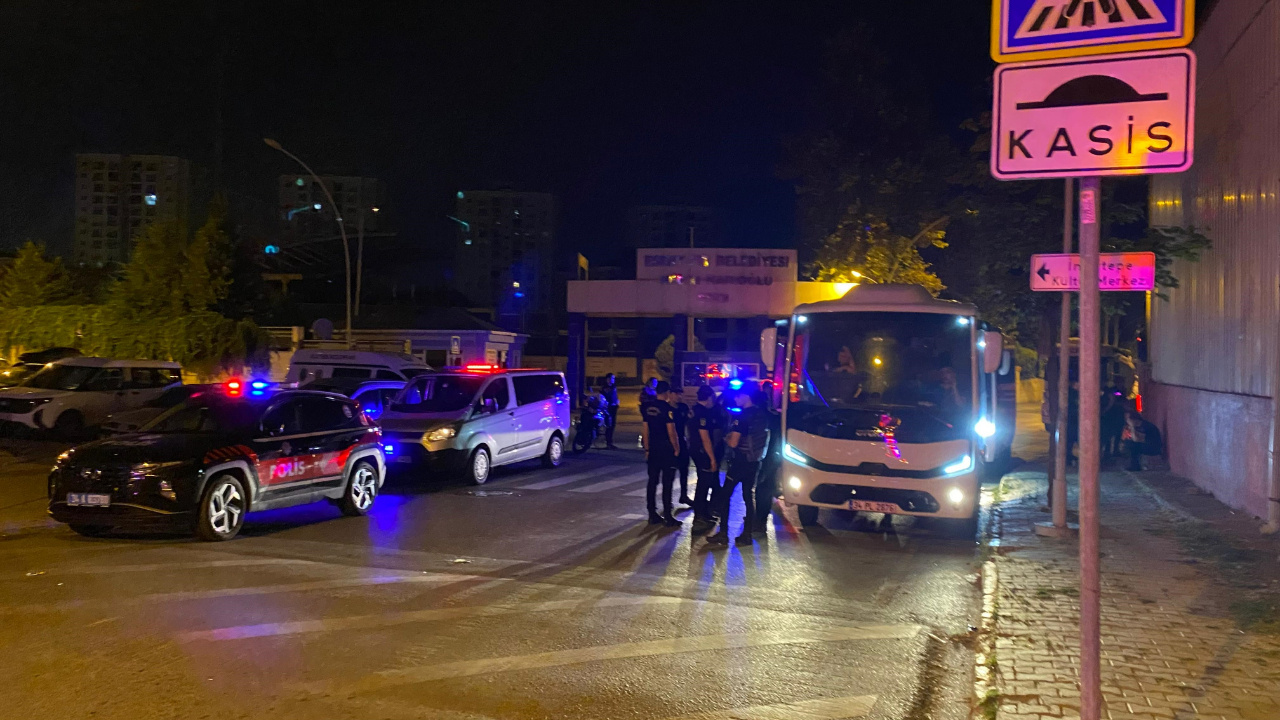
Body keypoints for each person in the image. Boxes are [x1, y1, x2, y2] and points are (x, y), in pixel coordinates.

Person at [707, 389, 770, 546]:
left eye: (738, 395)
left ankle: (723, 534)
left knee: (724, 495)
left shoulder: (742, 417)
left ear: (746, 396)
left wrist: (726, 438)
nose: (735, 398)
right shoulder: (761, 415)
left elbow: (734, 442)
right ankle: (747, 534)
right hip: (754, 461)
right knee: (748, 497)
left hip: (740, 462)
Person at [641, 381, 681, 526]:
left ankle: (652, 513)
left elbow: (645, 430)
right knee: (667, 482)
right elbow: (671, 431)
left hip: (653, 448)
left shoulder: (647, 408)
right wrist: (676, 447)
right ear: (667, 393)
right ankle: (668, 516)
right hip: (666, 449)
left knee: (652, 481)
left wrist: (647, 448)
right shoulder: (667, 408)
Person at [688, 385, 725, 533]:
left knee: (705, 482)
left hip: (696, 450)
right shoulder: (703, 414)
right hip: (703, 453)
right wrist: (712, 459)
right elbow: (705, 438)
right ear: (709, 397)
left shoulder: (694, 410)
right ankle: (699, 517)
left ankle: (704, 513)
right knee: (703, 485)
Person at [754, 382, 783, 531]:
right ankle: (760, 518)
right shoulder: (775, 417)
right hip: (773, 457)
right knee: (767, 487)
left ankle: (759, 520)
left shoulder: (759, 417)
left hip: (764, 458)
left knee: (762, 489)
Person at [671, 388, 695, 507]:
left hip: (682, 440)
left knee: (684, 469)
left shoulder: (683, 407)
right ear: (670, 394)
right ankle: (668, 500)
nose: (679, 396)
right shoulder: (666, 409)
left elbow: (688, 423)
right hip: (670, 442)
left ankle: (684, 495)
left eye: (680, 394)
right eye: (676, 393)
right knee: (670, 472)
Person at [600, 373, 620, 449]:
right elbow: (604, 398)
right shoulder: (605, 388)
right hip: (608, 409)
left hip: (614, 408)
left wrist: (617, 401)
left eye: (614, 379)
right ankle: (608, 442)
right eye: (612, 378)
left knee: (612, 425)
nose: (613, 380)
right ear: (608, 379)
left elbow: (614, 396)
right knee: (609, 425)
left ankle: (610, 442)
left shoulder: (613, 387)